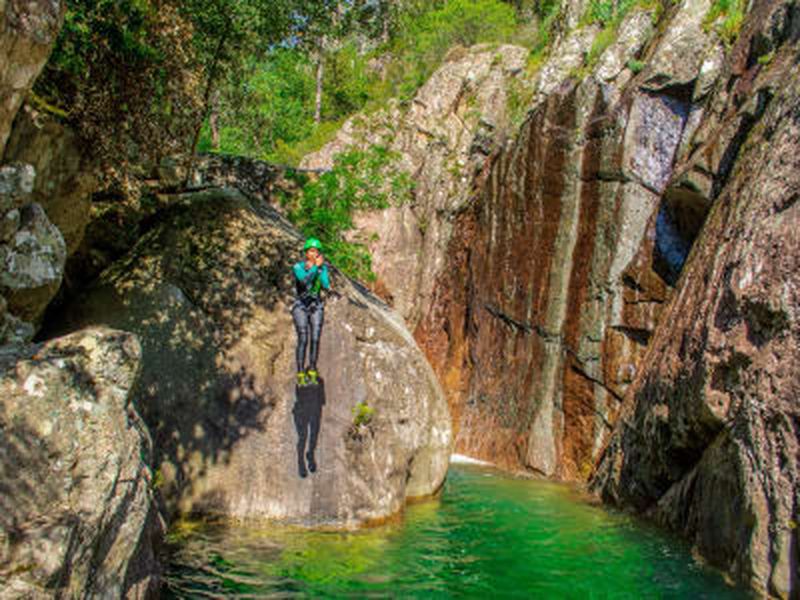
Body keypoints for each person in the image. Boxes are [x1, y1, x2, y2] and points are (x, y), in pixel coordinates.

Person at [292, 237, 331, 386]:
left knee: (315, 338)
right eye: (312, 251)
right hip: (301, 305)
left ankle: (313, 369)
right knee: (303, 337)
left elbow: (326, 284)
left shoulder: (322, 268)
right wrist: (315, 267)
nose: (314, 254)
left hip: (316, 304)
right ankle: (301, 371)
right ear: (306, 252)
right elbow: (305, 281)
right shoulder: (298, 267)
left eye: (317, 251)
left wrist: (321, 269)